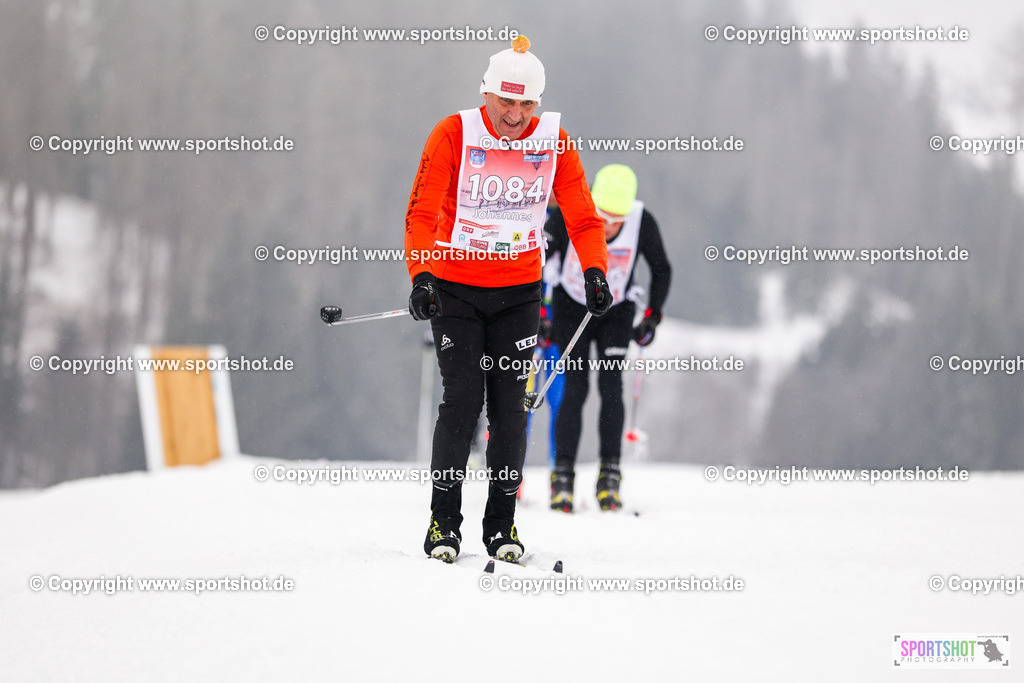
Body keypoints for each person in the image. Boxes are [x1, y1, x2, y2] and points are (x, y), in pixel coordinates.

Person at [404, 36, 611, 563]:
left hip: (519, 293)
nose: (515, 115)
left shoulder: (555, 141)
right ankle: (442, 524)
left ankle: (502, 528)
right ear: (486, 93)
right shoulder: (453, 134)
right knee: (462, 400)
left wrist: (594, 272)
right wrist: (422, 276)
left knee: (511, 411)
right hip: (455, 289)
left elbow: (584, 218)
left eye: (526, 104)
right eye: (505, 101)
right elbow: (422, 212)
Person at [543, 164, 672, 512]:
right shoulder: (572, 210)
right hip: (572, 305)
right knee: (576, 388)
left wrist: (652, 317)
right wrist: (543, 314)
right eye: (602, 215)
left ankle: (609, 477)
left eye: (618, 218)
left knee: (611, 387)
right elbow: (537, 258)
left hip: (615, 311)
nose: (609, 225)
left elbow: (661, 268)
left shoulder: (642, 221)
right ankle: (563, 478)